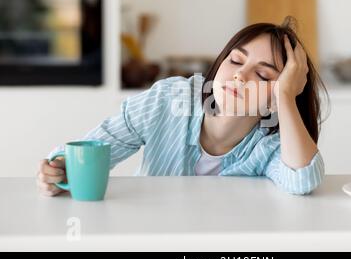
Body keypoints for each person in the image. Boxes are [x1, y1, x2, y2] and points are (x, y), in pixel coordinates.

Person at [37, 16, 328, 197]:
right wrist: (60, 169)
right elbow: (89, 151)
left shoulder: (270, 143)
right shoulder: (169, 98)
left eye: (264, 74)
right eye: (236, 60)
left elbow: (302, 179)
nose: (240, 75)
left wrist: (287, 97)